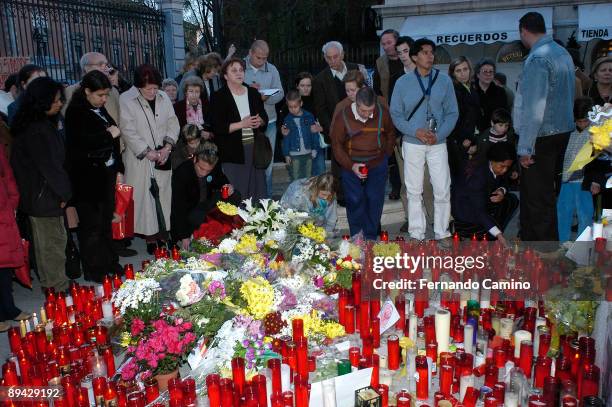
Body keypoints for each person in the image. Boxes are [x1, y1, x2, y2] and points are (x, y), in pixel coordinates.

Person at [390, 38, 459, 244]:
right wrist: (416, 132)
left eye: (432, 53)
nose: (430, 56)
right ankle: (416, 233)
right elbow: (396, 114)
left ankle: (442, 231)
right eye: (425, 53)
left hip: (438, 142)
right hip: (413, 142)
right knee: (413, 189)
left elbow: (452, 113)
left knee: (442, 188)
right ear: (414, 57)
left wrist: (439, 135)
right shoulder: (402, 83)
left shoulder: (444, 81)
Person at [514, 11, 575, 245]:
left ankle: (543, 258)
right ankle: (536, 249)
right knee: (545, 197)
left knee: (537, 201)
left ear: (523, 31)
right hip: (561, 133)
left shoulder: (538, 58)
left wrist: (525, 147)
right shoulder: (563, 53)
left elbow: (534, 107)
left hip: (541, 136)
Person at [10, 77, 71, 293]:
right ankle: (57, 288)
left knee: (52, 242)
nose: (60, 103)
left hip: (42, 194)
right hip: (44, 195)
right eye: (55, 100)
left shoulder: (35, 124)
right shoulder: (38, 129)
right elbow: (50, 166)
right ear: (42, 101)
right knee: (51, 244)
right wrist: (64, 193)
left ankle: (55, 284)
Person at [65, 71, 124, 282]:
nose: (104, 99)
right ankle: (94, 268)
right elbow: (82, 144)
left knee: (106, 221)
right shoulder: (75, 112)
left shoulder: (99, 108)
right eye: (100, 95)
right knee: (92, 226)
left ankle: (110, 261)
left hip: (106, 173)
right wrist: (109, 134)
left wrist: (119, 169)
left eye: (107, 95)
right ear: (87, 91)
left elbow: (115, 139)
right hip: (87, 179)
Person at [119, 64, 180, 254]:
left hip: (163, 155)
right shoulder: (126, 99)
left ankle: (165, 235)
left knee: (164, 196)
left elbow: (173, 121)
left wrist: (168, 146)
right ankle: (150, 238)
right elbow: (128, 130)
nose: (153, 92)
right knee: (145, 200)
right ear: (138, 86)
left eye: (156, 88)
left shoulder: (163, 98)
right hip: (140, 159)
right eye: (148, 89)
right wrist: (147, 151)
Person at [330, 87, 395, 239]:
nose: (368, 114)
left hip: (377, 164)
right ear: (356, 104)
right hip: (351, 164)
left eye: (371, 110)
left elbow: (391, 133)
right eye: (364, 111)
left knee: (375, 199)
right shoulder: (343, 116)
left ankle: (371, 237)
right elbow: (336, 145)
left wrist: (386, 154)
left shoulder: (382, 112)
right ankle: (357, 238)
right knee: (354, 200)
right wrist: (351, 165)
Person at [209, 57, 268, 201]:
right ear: (225, 76)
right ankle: (235, 222)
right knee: (236, 192)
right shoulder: (218, 96)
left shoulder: (253, 93)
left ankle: (257, 221)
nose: (239, 73)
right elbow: (217, 127)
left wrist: (260, 121)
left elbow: (264, 118)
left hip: (254, 150)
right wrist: (242, 124)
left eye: (241, 70)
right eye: (234, 70)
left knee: (257, 191)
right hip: (232, 151)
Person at [313, 41, 362, 205]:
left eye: (335, 56)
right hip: (336, 128)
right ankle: (341, 195)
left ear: (342, 55)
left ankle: (361, 190)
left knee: (360, 158)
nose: (332, 61)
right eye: (329, 58)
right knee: (339, 162)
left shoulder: (355, 69)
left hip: (359, 125)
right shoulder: (320, 79)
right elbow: (321, 109)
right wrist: (332, 130)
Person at [171, 141, 239, 249]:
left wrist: (229, 187)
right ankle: (207, 231)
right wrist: (184, 236)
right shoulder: (182, 173)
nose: (203, 173)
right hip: (190, 212)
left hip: (207, 205)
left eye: (208, 171)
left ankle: (223, 228)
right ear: (194, 159)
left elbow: (223, 181)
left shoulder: (214, 166)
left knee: (235, 195)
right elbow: (178, 208)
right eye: (201, 168)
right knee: (197, 216)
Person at [451, 142, 519, 245]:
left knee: (511, 200)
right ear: (492, 160)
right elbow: (479, 211)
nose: (504, 170)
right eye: (502, 166)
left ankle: (494, 231)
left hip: (482, 202)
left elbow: (504, 181)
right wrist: (498, 234)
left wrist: (501, 190)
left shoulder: (495, 167)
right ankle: (488, 234)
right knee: (491, 232)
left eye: (507, 167)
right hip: (466, 212)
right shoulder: (477, 176)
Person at [557, 97, 602, 243]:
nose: (582, 124)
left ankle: (582, 249)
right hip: (566, 180)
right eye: (579, 121)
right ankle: (562, 245)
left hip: (585, 181)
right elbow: (560, 156)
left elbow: (600, 161)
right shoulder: (568, 132)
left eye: (585, 121)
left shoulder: (596, 133)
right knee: (563, 213)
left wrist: (596, 180)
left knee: (585, 215)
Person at [244, 40, 285, 198]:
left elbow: (280, 93)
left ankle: (265, 201)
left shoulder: (272, 69)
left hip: (270, 122)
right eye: (259, 58)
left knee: (267, 163)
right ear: (250, 53)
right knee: (248, 163)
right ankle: (248, 201)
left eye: (265, 58)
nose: (262, 61)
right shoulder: (239, 67)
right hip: (245, 123)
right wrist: (250, 93)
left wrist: (266, 97)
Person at [0, 142, 31, 332]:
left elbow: (7, 175)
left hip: (4, 210)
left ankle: (9, 308)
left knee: (5, 264)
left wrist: (12, 201)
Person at [63, 53, 119, 125]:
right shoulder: (69, 92)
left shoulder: (113, 90)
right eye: (100, 64)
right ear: (86, 68)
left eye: (106, 65)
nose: (106, 68)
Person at [447, 56, 481, 176]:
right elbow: (457, 119)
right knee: (460, 178)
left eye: (465, 69)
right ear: (453, 74)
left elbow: (475, 117)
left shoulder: (471, 88)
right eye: (458, 71)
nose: (463, 74)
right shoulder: (454, 91)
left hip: (469, 138)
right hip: (459, 141)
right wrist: (466, 139)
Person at [281, 90, 318, 181]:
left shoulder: (309, 116)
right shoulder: (287, 120)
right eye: (290, 107)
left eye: (295, 106)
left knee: (308, 177)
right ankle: (295, 195)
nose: (293, 109)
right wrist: (286, 154)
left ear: (301, 103)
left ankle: (306, 195)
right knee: (295, 176)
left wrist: (314, 149)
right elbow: (286, 138)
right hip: (294, 154)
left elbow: (314, 133)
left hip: (308, 152)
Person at [295, 72, 326, 176]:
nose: (306, 88)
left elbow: (325, 120)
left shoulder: (318, 100)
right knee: (302, 177)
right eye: (302, 85)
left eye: (308, 85)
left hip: (315, 143)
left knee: (320, 172)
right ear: (297, 86)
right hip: (298, 145)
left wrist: (322, 128)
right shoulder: (292, 102)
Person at [474, 59, 508, 133]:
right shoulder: (471, 91)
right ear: (478, 74)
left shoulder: (500, 92)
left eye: (491, 72)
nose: (488, 74)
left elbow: (504, 115)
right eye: (485, 72)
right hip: (474, 135)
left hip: (495, 134)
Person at [373, 29, 404, 102]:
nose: (386, 47)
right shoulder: (380, 63)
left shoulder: (409, 59)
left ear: (398, 42)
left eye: (389, 43)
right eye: (383, 44)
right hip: (389, 106)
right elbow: (376, 89)